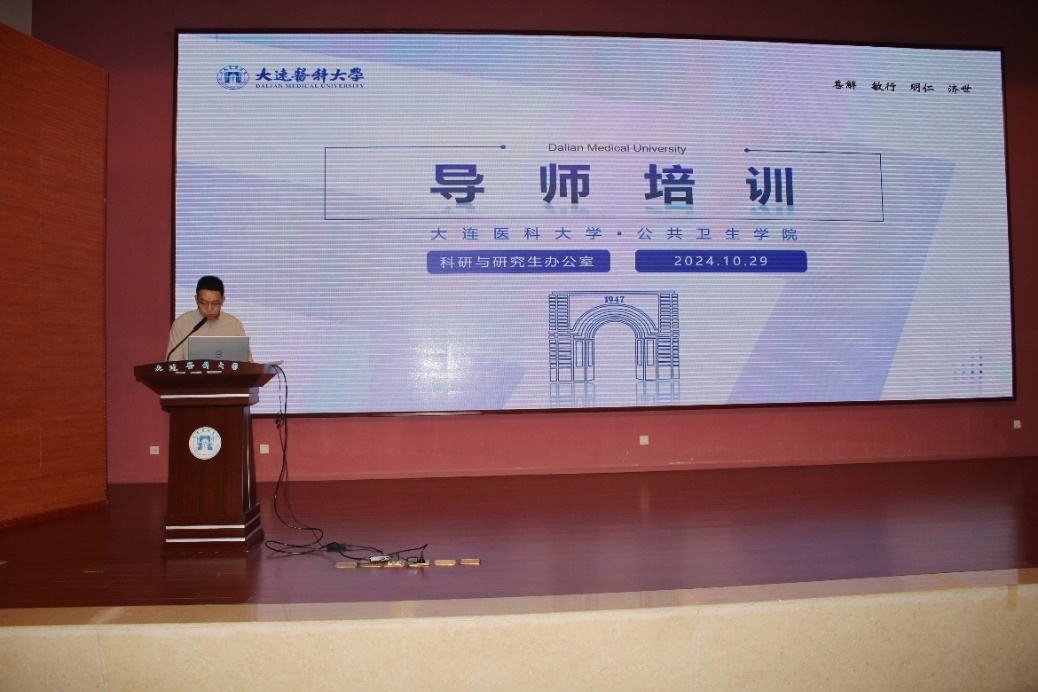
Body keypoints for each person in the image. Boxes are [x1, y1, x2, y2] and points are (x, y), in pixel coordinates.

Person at [166, 275, 253, 361]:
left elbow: (247, 363)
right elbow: (172, 363)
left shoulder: (234, 325)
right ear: (196, 299)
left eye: (215, 303)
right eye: (203, 303)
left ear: (223, 300)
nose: (209, 309)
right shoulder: (181, 324)